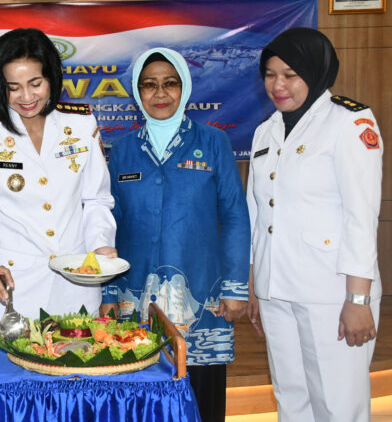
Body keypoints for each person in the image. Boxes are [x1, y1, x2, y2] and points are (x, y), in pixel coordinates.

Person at [100, 47, 250, 422]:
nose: (160, 93)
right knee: (138, 396)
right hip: (134, 297)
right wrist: (108, 292)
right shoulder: (123, 150)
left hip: (201, 296)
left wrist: (235, 287)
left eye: (170, 83)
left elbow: (235, 216)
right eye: (149, 85)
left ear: (184, 88)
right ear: (137, 93)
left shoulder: (213, 142)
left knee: (201, 399)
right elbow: (109, 225)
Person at [246, 27, 382, 422]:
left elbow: (361, 215)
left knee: (338, 405)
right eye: (270, 75)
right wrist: (254, 281)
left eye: (290, 74)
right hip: (276, 288)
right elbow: (258, 212)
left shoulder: (349, 123)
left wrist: (358, 299)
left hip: (331, 292)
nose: (278, 85)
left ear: (315, 71)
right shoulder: (266, 130)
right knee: (291, 400)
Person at [0, 28, 117, 331]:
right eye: (13, 87)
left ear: (51, 78)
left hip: (76, 282)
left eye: (36, 84)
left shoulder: (80, 123)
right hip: (8, 288)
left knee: (77, 360)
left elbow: (96, 199)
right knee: (6, 363)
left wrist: (100, 245)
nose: (26, 97)